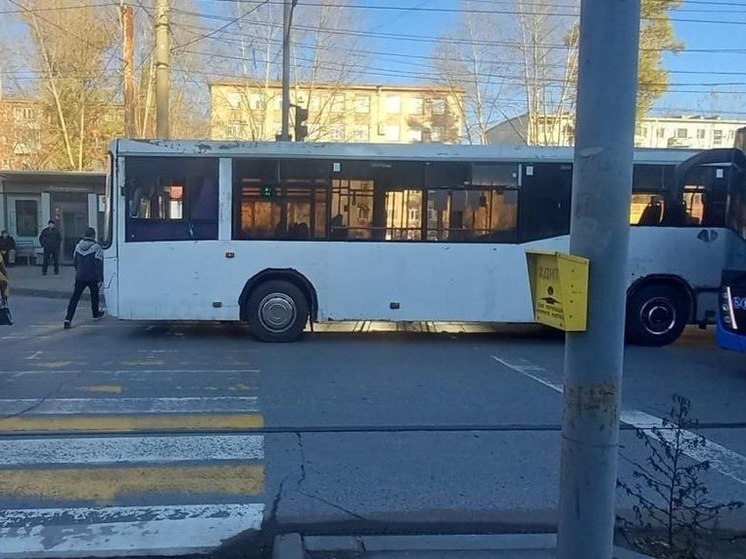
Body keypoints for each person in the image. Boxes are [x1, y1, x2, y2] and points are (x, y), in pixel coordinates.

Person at [64, 227, 104, 329]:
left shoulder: (78, 246)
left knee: (75, 298)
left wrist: (78, 271)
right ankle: (95, 314)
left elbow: (75, 261)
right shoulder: (96, 247)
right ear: (93, 235)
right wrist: (100, 279)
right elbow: (98, 264)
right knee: (94, 296)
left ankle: (68, 318)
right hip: (92, 277)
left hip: (80, 276)